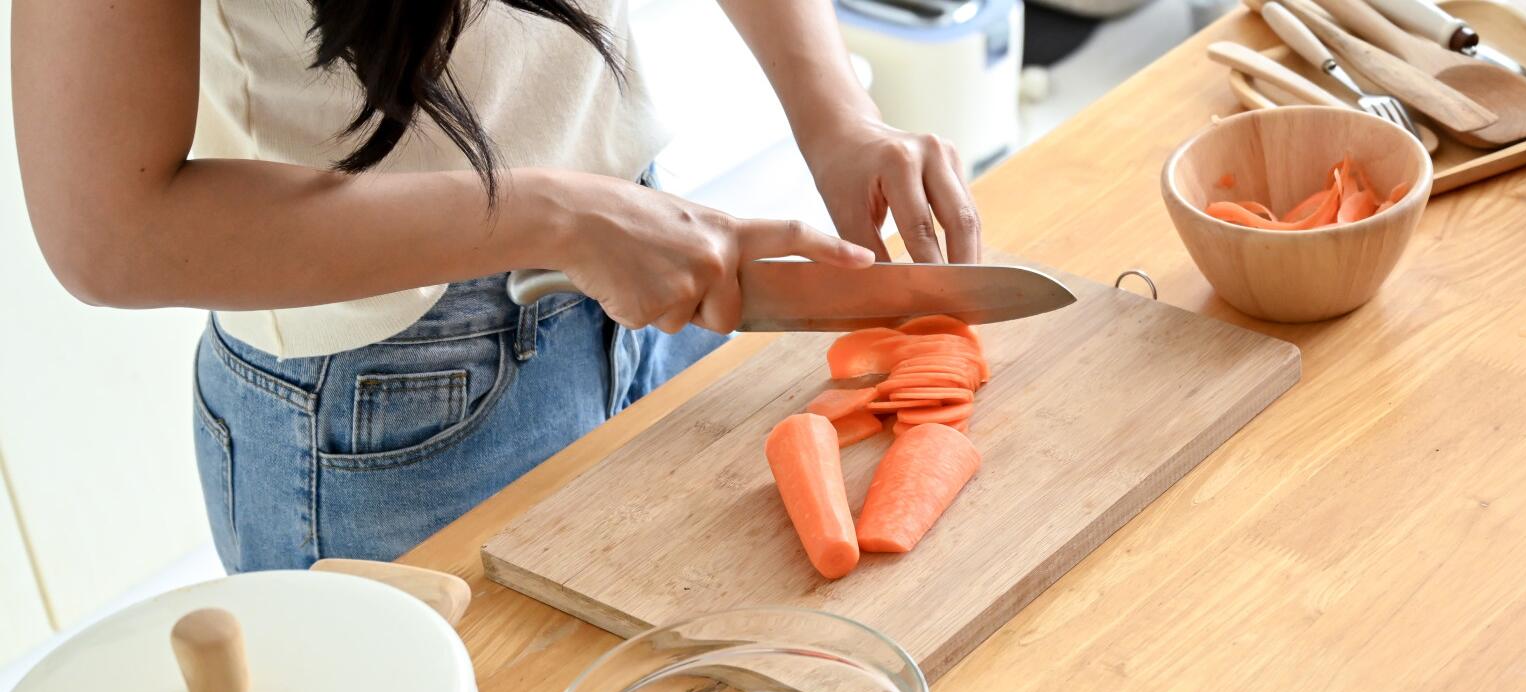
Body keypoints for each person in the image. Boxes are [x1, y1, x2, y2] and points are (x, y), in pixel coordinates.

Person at [13, 0, 981, 570]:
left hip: (651, 273)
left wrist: (836, 114)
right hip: (392, 410)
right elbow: (109, 238)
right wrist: (555, 217)